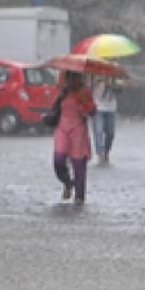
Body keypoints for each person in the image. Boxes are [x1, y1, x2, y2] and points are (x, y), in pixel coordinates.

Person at [52, 71, 96, 204]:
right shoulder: (62, 91)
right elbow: (53, 108)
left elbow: (93, 111)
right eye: (70, 77)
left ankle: (79, 195)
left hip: (78, 129)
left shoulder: (85, 91)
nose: (73, 80)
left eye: (76, 77)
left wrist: (84, 106)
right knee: (58, 159)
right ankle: (68, 182)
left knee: (78, 163)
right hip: (62, 128)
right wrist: (60, 96)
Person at [90, 75, 120, 165]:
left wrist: (111, 85)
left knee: (110, 133)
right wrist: (97, 81)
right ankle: (101, 155)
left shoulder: (114, 75)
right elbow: (88, 88)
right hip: (98, 108)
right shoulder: (93, 75)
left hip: (111, 108)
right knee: (98, 132)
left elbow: (119, 91)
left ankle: (106, 152)